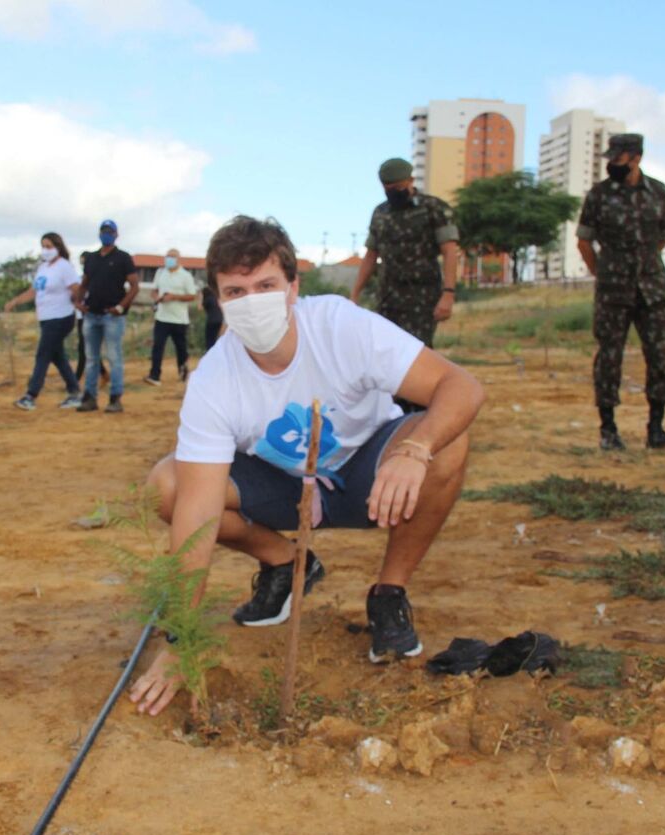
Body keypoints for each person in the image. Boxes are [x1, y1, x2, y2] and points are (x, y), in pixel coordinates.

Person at [128, 216, 484, 716]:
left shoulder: (341, 326)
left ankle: (389, 590)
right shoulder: (214, 379)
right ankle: (287, 561)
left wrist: (414, 450)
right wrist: (180, 638)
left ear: (294, 287)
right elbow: (197, 511)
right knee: (168, 486)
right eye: (236, 291)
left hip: (370, 472)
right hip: (285, 489)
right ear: (218, 300)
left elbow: (461, 387)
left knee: (448, 443)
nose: (252, 302)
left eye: (266, 286)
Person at [576, 133, 665, 450]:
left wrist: (643, 263)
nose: (611, 164)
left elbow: (662, 237)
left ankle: (656, 428)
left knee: (659, 356)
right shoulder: (599, 195)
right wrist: (603, 271)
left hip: (652, 290)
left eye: (617, 159)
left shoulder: (658, 192)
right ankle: (608, 430)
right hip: (612, 292)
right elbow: (584, 242)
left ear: (636, 158)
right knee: (609, 358)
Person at [351, 157, 459, 349]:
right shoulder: (380, 213)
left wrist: (448, 293)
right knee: (384, 352)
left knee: (416, 352)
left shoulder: (433, 208)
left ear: (410, 181)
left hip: (423, 296)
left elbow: (450, 251)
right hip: (387, 297)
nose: (394, 192)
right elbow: (371, 256)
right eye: (388, 188)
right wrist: (354, 295)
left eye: (398, 187)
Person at [4, 233, 81, 410]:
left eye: (48, 246)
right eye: (43, 246)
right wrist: (15, 301)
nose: (45, 250)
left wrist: (78, 302)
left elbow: (76, 289)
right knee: (58, 356)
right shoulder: (43, 267)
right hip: (46, 318)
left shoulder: (64, 267)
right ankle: (75, 392)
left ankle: (31, 395)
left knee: (43, 355)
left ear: (58, 247)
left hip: (61, 317)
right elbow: (34, 291)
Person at [76, 219, 139, 413]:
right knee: (91, 358)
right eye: (103, 231)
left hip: (112, 316)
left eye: (110, 231)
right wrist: (78, 303)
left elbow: (134, 286)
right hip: (91, 315)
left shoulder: (123, 258)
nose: (106, 234)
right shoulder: (92, 259)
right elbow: (85, 283)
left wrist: (120, 307)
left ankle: (115, 398)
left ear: (116, 234)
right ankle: (89, 398)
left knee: (114, 357)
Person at [145, 248, 198, 386]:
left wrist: (174, 297)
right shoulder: (160, 272)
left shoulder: (186, 276)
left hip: (179, 319)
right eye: (167, 256)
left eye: (172, 257)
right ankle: (154, 375)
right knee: (157, 346)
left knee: (181, 348)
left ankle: (183, 371)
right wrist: (157, 298)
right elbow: (154, 291)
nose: (169, 259)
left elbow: (192, 295)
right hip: (162, 317)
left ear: (178, 259)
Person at [74, 250, 108, 387]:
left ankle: (75, 380)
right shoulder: (80, 279)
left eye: (84, 263)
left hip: (90, 317)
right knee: (87, 349)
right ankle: (104, 374)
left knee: (84, 349)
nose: (83, 265)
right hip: (80, 317)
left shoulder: (95, 280)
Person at [200, 276, 223, 352]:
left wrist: (201, 298)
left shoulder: (207, 300)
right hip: (220, 320)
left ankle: (210, 352)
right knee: (219, 338)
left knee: (210, 339)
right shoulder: (216, 298)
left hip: (211, 321)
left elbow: (200, 308)